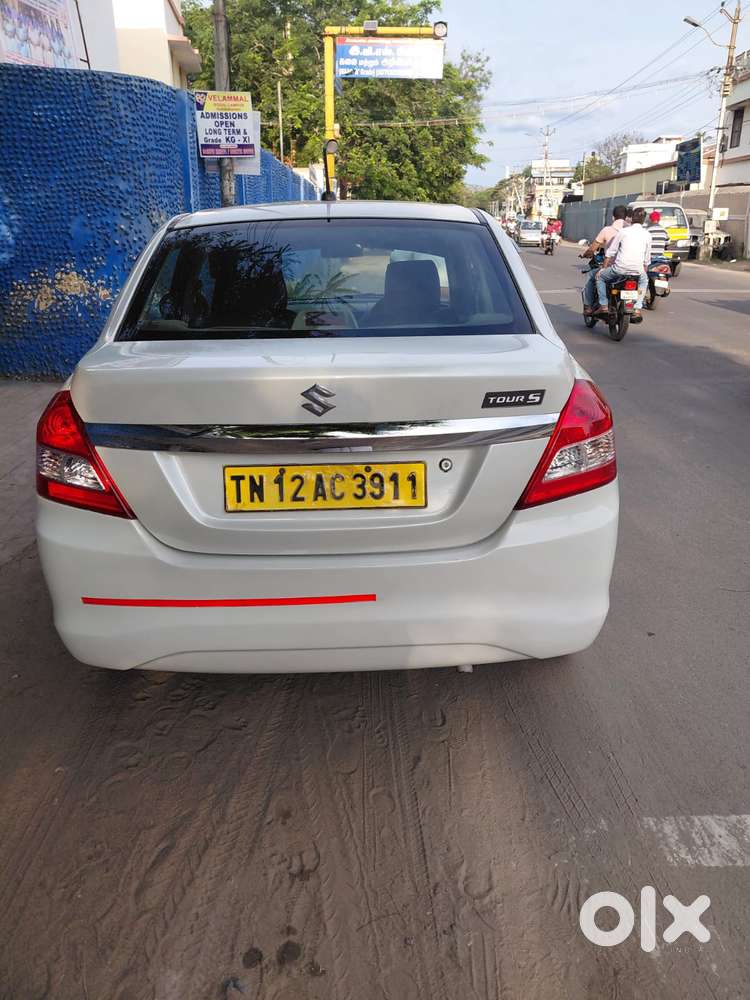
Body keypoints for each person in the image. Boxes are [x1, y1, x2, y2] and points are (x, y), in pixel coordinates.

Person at [596, 207, 652, 317]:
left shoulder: (623, 232)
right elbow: (647, 259)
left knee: (600, 277)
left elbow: (610, 252)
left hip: (619, 269)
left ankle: (603, 305)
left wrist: (603, 268)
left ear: (631, 219)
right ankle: (637, 308)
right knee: (644, 281)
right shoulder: (647, 235)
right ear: (643, 220)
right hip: (637, 270)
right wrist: (643, 270)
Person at [582, 205, 627, 315]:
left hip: (614, 267)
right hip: (631, 268)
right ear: (626, 217)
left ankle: (590, 306)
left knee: (592, 275)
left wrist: (585, 254)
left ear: (613, 217)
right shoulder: (630, 230)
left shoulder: (607, 230)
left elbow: (594, 247)